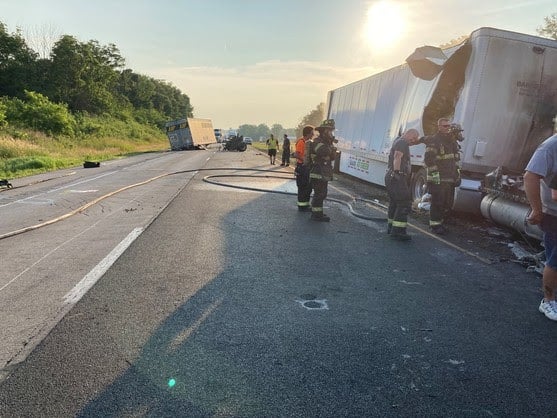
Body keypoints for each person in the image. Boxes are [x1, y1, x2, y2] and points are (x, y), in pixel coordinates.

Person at [523, 133, 557, 321]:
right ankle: (548, 301)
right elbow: (530, 177)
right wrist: (536, 209)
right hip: (554, 214)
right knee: (555, 259)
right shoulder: (550, 146)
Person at [423, 118, 462, 234]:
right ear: (439, 127)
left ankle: (440, 223)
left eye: (448, 126)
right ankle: (434, 226)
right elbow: (429, 160)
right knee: (437, 203)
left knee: (446, 203)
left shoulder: (452, 142)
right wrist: (435, 176)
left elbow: (455, 161)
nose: (447, 128)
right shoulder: (433, 140)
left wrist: (457, 175)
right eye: (445, 126)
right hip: (438, 178)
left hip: (449, 179)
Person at [385, 128, 421, 240]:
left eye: (416, 139)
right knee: (404, 203)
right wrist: (397, 173)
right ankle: (398, 231)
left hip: (391, 177)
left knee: (395, 203)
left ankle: (391, 227)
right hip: (397, 177)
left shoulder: (398, 140)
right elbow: (397, 157)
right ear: (407, 134)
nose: (413, 141)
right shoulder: (402, 142)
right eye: (413, 138)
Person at [307, 119, 337, 222]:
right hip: (317, 172)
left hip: (323, 173)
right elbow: (323, 151)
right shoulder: (317, 141)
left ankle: (318, 213)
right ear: (324, 131)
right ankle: (316, 215)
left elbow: (332, 156)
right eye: (330, 131)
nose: (331, 134)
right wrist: (331, 148)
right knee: (319, 194)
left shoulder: (326, 142)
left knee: (322, 194)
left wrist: (330, 149)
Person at [294, 125, 314, 211]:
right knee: (303, 187)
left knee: (308, 187)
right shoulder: (301, 142)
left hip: (305, 168)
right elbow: (297, 154)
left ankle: (305, 205)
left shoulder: (307, 142)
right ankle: (302, 206)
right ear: (308, 133)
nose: (313, 134)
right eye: (312, 133)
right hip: (302, 167)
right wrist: (306, 160)